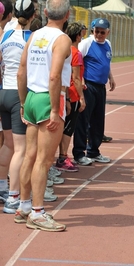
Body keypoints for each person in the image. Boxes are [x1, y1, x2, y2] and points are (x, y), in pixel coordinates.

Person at [16, 0, 71, 231]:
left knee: (29, 156)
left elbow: (21, 70)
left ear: (46, 12)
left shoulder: (34, 35)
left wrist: (22, 102)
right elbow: (54, 76)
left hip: (30, 97)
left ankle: (24, 206)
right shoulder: (62, 39)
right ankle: (38, 213)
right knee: (44, 160)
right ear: (67, 15)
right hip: (49, 99)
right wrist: (56, 110)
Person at [0, 0, 36, 214]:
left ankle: (3, 186)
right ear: (33, 15)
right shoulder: (32, 38)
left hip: (3, 90)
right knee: (21, 149)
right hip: (18, 94)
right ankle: (14, 198)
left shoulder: (5, 34)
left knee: (8, 146)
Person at [73, 18, 116, 165]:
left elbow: (106, 63)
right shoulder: (86, 43)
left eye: (102, 32)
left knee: (98, 120)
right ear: (92, 31)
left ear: (108, 32)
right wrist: (81, 82)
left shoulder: (108, 44)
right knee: (83, 120)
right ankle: (79, 153)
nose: (99, 34)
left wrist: (111, 77)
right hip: (88, 86)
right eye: (96, 31)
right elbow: (76, 62)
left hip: (100, 87)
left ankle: (93, 151)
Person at [55, 22, 86, 172]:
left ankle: (60, 156)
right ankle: (62, 157)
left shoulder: (64, 49)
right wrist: (81, 97)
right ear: (78, 36)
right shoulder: (76, 53)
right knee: (68, 128)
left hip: (64, 92)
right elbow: (76, 77)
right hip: (72, 94)